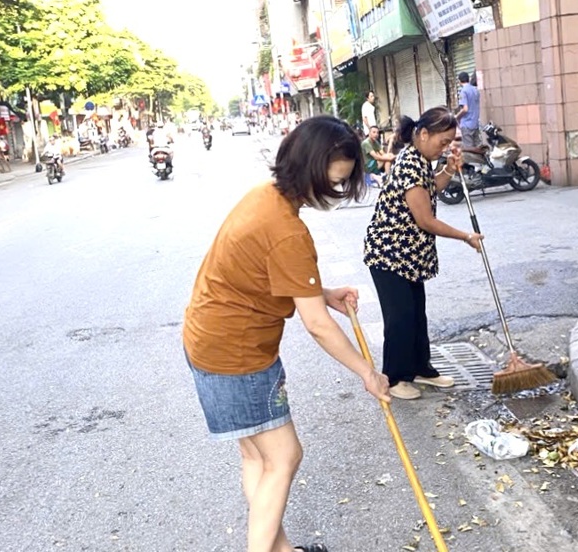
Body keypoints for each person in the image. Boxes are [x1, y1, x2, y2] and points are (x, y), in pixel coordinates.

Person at [183, 116, 390, 552]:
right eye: (332, 184)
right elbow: (316, 325)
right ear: (310, 169)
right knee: (285, 457)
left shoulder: (265, 197)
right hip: (238, 355)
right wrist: (366, 372)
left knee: (257, 456)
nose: (332, 195)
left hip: (208, 339)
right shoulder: (288, 232)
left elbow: (270, 275)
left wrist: (324, 292)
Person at [363, 107, 485, 400]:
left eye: (449, 143)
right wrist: (465, 236)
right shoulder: (408, 164)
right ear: (423, 134)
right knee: (400, 317)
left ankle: (420, 368)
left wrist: (449, 169)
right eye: (442, 142)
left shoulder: (420, 160)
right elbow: (426, 220)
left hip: (410, 255)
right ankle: (394, 377)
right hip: (389, 254)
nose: (445, 148)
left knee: (416, 314)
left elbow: (433, 188)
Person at [455, 72, 481, 150]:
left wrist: (457, 117)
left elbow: (465, 109)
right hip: (475, 123)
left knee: (470, 151)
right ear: (468, 79)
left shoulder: (463, 92)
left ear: (459, 81)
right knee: (478, 149)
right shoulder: (475, 90)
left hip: (467, 125)